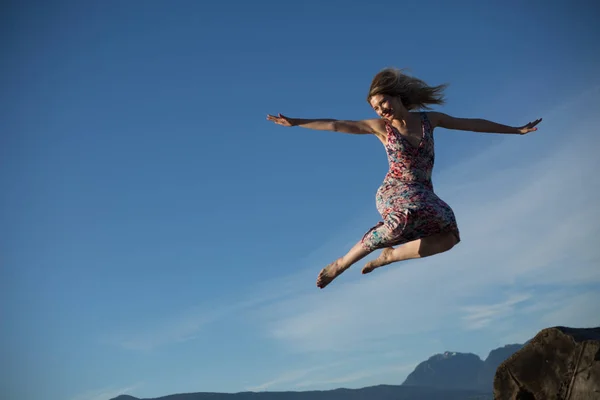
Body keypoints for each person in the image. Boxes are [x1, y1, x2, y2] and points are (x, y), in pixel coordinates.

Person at [266, 68, 542, 289]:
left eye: (383, 102)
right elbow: (337, 124)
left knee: (449, 236)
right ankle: (342, 263)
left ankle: (389, 256)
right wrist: (297, 121)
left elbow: (471, 124)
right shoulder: (380, 128)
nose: (381, 109)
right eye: (375, 107)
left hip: (422, 191)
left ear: (397, 96)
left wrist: (515, 131)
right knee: (402, 219)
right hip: (394, 190)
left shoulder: (429, 120)